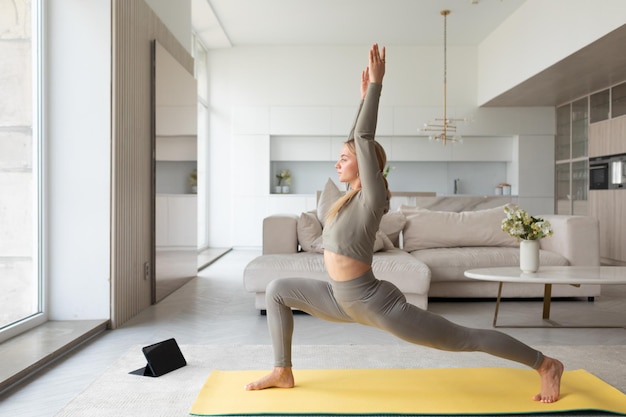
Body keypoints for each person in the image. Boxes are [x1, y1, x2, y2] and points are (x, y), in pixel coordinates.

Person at [245, 43, 564, 403]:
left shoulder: (373, 197)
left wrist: (377, 88)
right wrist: (363, 99)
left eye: (344, 159)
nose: (337, 164)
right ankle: (282, 370)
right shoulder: (346, 200)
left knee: (462, 338)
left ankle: (545, 364)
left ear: (366, 167)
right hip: (338, 298)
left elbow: (363, 140)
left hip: (376, 303)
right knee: (277, 289)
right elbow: (356, 140)